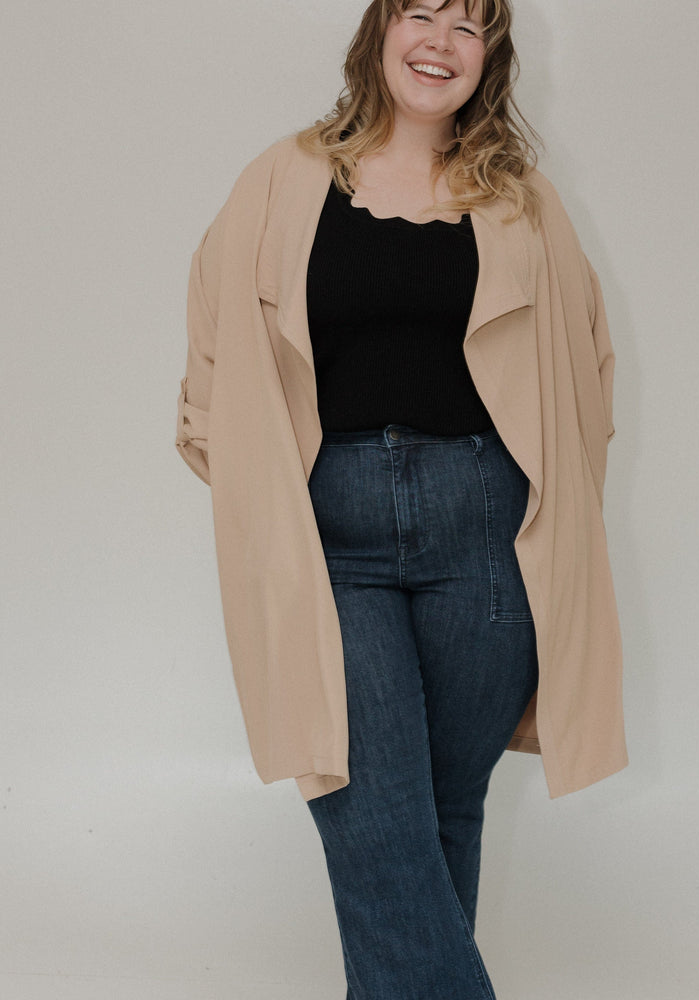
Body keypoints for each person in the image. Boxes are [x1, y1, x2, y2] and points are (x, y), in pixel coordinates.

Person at [175, 1, 627, 996]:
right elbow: (213, 356)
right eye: (419, 13)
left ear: (488, 59)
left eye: (466, 28)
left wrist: (545, 509)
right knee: (371, 813)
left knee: (440, 811)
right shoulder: (282, 179)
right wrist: (252, 488)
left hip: (484, 528)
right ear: (378, 35)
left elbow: (583, 368)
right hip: (327, 537)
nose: (439, 41)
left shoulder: (522, 202)